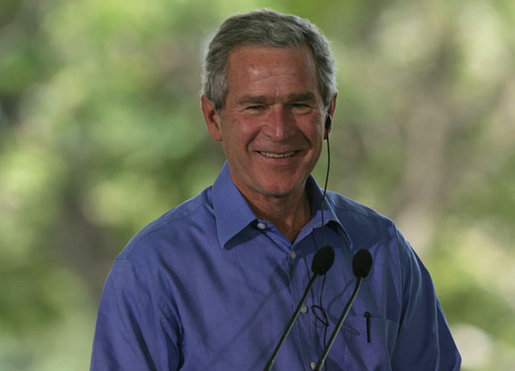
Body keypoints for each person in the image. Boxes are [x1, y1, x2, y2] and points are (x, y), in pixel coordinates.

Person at [90, 9, 461, 370]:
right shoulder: (151, 270)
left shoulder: (382, 249)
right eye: (255, 106)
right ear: (212, 118)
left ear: (328, 114)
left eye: (299, 104)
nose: (280, 130)